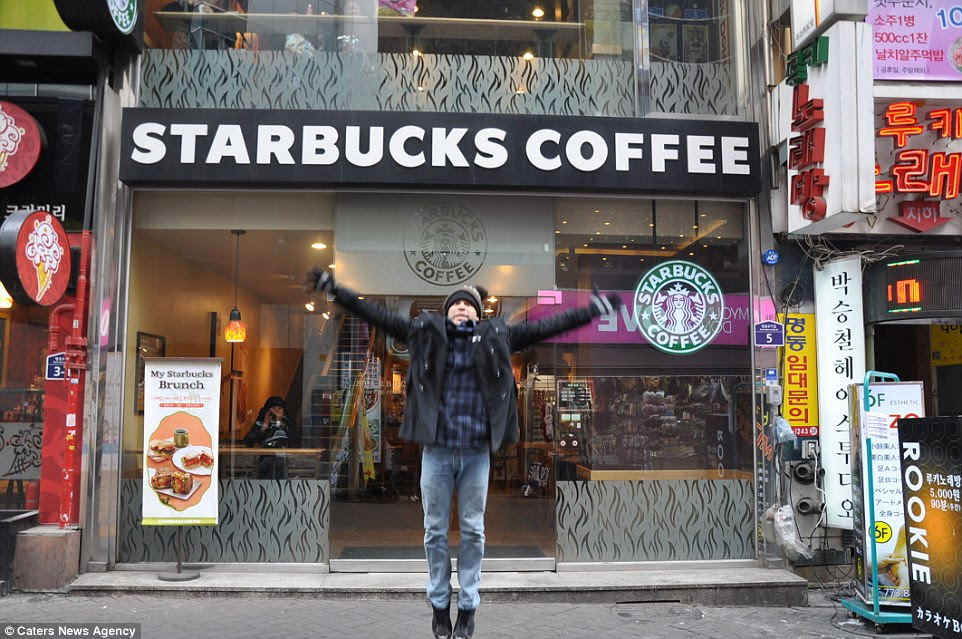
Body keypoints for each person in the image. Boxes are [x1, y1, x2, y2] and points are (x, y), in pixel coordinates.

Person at [306, 267, 622, 639]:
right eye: (454, 303)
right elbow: (378, 315)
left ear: (478, 313)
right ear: (445, 312)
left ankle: (468, 606)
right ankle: (440, 605)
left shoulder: (498, 336)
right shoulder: (424, 333)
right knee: (434, 531)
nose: (460, 307)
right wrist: (337, 291)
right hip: (436, 454)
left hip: (476, 455)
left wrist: (594, 308)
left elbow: (546, 327)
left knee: (473, 531)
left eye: (467, 304)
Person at [244, 396, 297, 479]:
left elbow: (293, 441)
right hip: (263, 460)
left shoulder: (289, 424)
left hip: (283, 460)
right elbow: (249, 441)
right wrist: (264, 427)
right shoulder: (260, 423)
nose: (276, 411)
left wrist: (279, 423)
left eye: (279, 408)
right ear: (267, 410)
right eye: (273, 408)